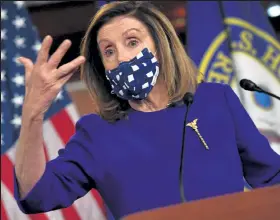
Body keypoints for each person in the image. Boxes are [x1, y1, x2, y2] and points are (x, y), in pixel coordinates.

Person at [14, 1, 280, 219]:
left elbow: (272, 178)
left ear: (160, 46)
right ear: (102, 68)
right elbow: (36, 194)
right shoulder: (96, 133)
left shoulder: (215, 100)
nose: (122, 57)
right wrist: (33, 113)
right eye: (108, 51)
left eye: (132, 42)